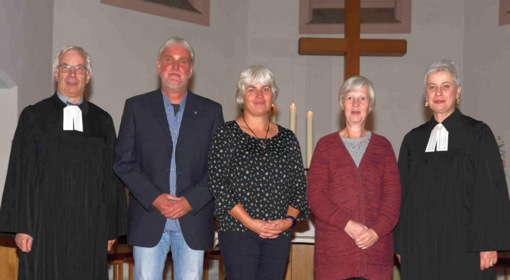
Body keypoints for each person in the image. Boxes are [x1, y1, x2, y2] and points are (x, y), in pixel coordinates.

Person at [0, 46, 128, 279]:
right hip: (43, 227)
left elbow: (111, 179)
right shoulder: (34, 116)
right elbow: (21, 172)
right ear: (56, 74)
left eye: (79, 68)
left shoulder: (102, 121)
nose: (71, 74)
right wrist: (22, 226)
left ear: (87, 76)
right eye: (65, 68)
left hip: (90, 227)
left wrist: (111, 228)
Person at [113, 37, 224, 280]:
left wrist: (190, 201)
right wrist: (155, 198)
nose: (175, 66)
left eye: (182, 61)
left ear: (191, 70)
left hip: (192, 219)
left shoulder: (211, 111)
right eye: (169, 60)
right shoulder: (136, 107)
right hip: (148, 218)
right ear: (158, 66)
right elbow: (123, 161)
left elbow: (220, 168)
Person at [393, 59, 510, 279]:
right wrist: (400, 244)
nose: (439, 92)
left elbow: (489, 191)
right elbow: (402, 195)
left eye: (445, 85)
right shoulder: (413, 140)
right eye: (432, 86)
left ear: (457, 92)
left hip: (466, 247)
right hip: (421, 247)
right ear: (425, 95)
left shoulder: (477, 133)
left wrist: (488, 244)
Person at [208, 65, 309, 280]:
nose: (259, 95)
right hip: (237, 230)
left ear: (273, 96)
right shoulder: (226, 134)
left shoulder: (288, 138)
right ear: (241, 96)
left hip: (278, 234)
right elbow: (219, 185)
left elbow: (299, 188)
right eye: (252, 89)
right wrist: (249, 222)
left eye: (265, 89)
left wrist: (288, 222)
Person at [307, 76, 401, 280]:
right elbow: (315, 196)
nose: (356, 104)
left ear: (371, 106)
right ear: (342, 104)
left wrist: (375, 232)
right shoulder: (325, 146)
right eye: (350, 97)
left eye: (362, 98)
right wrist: (347, 223)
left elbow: (393, 200)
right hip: (334, 258)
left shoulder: (383, 147)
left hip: (375, 255)